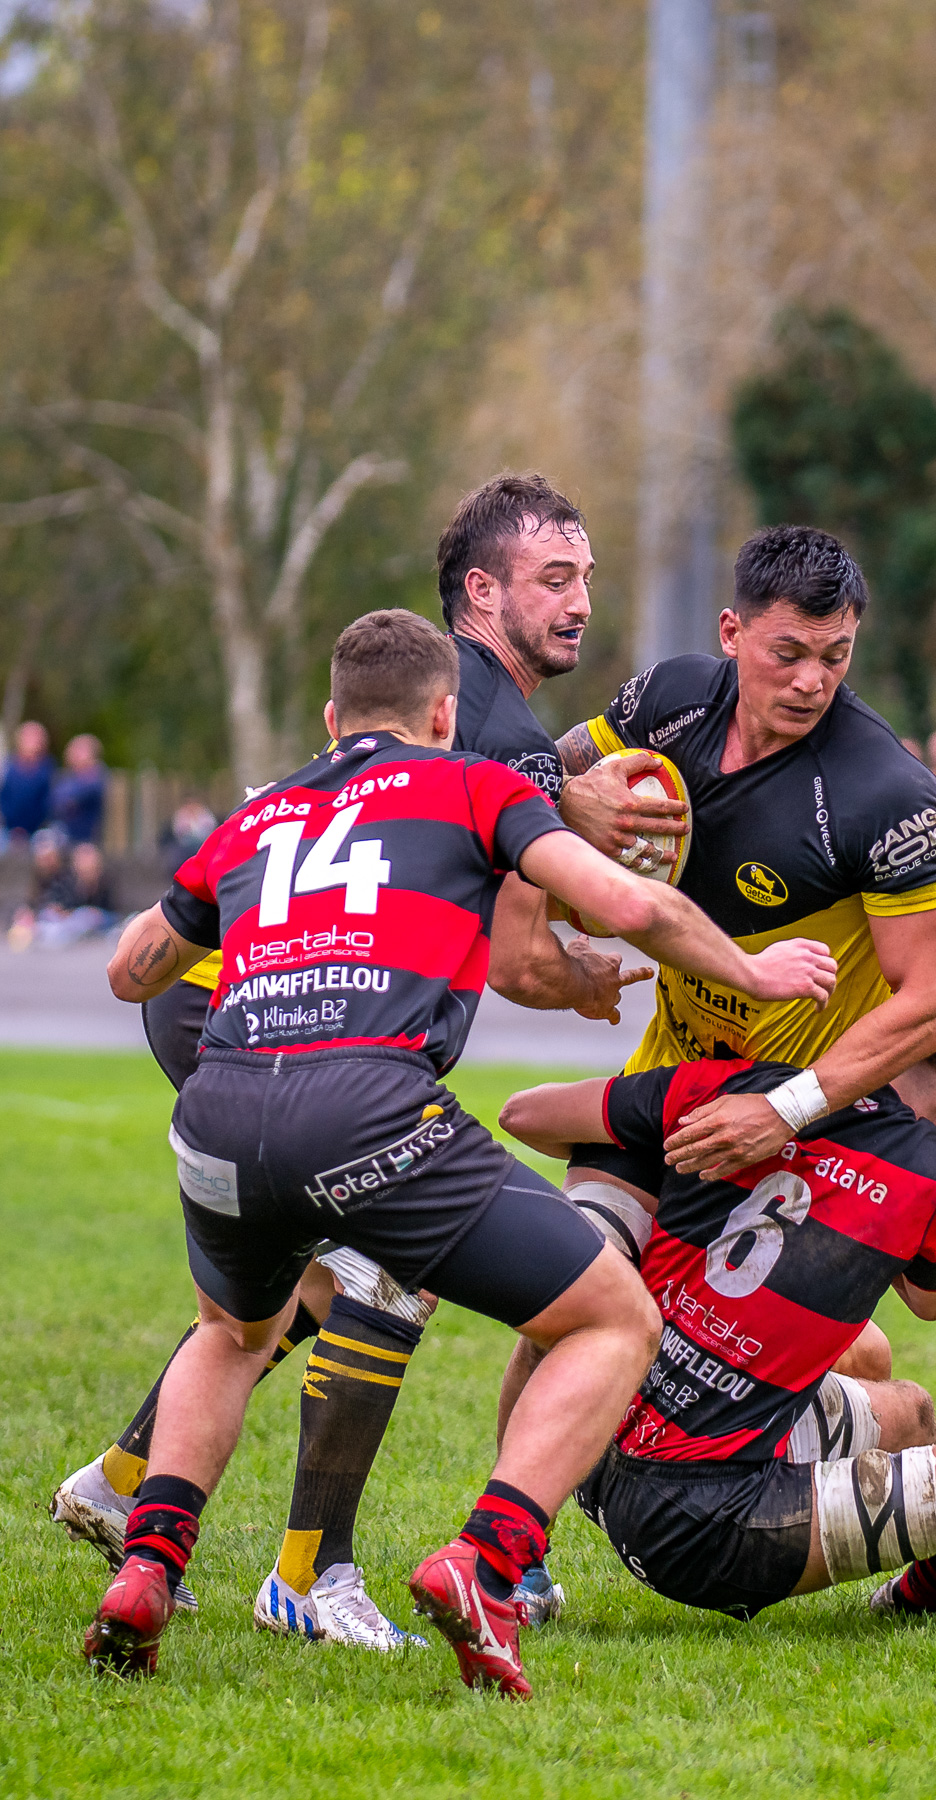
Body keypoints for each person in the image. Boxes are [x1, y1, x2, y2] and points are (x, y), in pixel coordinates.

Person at [80, 607, 832, 1692]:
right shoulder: (475, 781)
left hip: (217, 1107)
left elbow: (132, 966)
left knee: (232, 1332)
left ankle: (147, 1567)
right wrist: (757, 973)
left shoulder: (261, 815)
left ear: (333, 717)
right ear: (445, 714)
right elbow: (622, 898)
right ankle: (489, 1560)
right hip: (366, 1104)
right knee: (613, 1316)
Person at [53, 473, 654, 1648]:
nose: (581, 601)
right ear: (482, 593)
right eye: (554, 579)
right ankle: (308, 1576)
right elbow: (524, 963)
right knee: (386, 1266)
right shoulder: (495, 732)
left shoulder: (463, 700)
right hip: (258, 1011)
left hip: (219, 995)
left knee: (300, 1284)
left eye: (586, 577)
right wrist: (594, 975)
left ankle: (129, 1485)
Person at [498, 989, 936, 1625]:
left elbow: (524, 1115)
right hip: (700, 1527)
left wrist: (665, 1139)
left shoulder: (740, 1090)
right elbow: (934, 1301)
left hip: (596, 1428)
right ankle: (924, 1596)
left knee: (909, 1410)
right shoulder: (932, 1173)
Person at [554, 523, 936, 1182]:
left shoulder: (889, 795)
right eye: (789, 653)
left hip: (801, 1129)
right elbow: (533, 784)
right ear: (731, 633)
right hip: (672, 1080)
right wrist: (569, 801)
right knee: (582, 1261)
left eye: (836, 656)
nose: (813, 681)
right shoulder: (673, 702)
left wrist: (784, 1107)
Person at [0, 720, 54, 840]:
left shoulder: (49, 769)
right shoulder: (7, 766)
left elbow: (48, 804)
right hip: (6, 828)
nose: (31, 741)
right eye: (27, 736)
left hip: (38, 831)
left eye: (35, 737)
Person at [51, 733, 108, 844]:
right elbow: (54, 803)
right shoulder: (66, 777)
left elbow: (87, 794)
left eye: (80, 750)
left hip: (91, 839)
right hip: (64, 835)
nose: (74, 754)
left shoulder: (99, 776)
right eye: (73, 750)